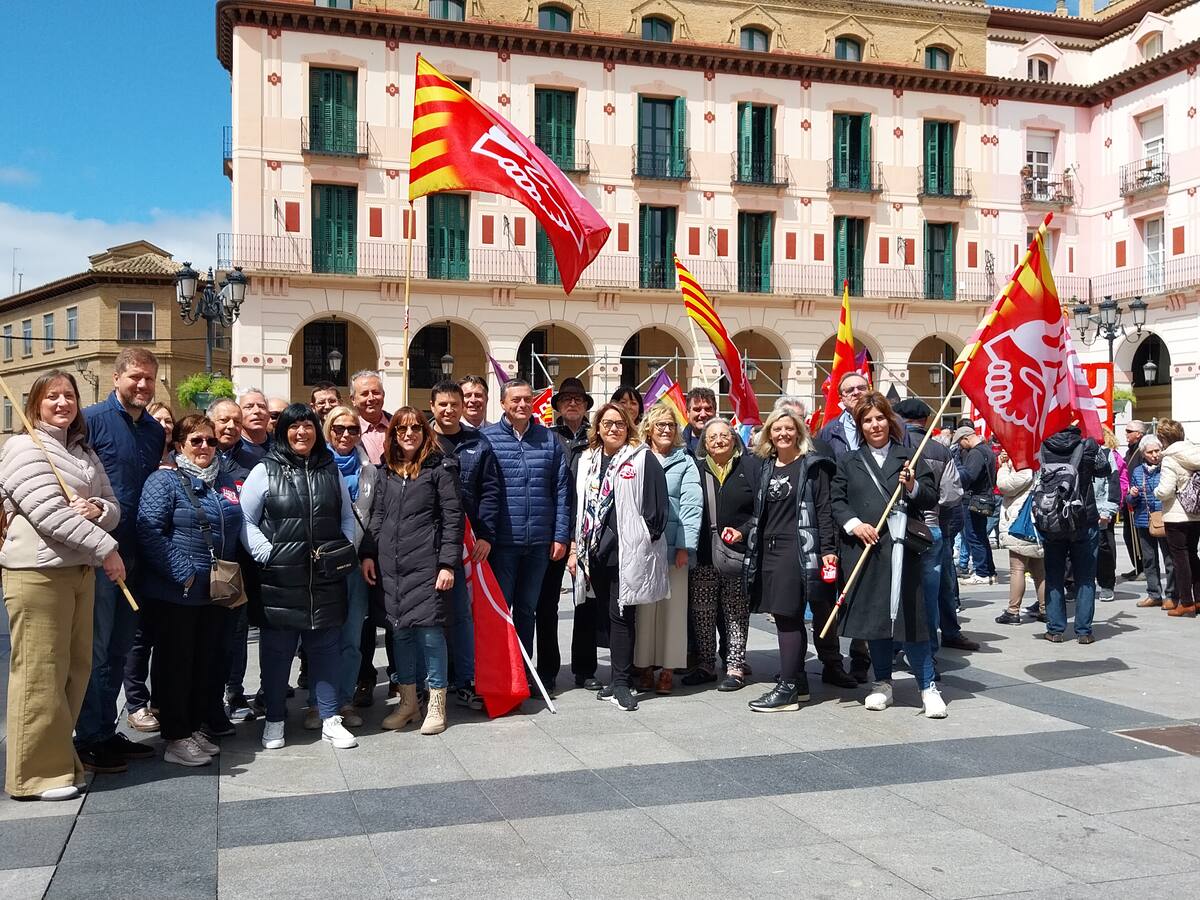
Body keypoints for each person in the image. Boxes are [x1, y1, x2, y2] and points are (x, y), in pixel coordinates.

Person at [0, 371, 124, 800]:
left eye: (68, 395)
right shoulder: (23, 447)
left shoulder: (82, 451)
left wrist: (95, 507)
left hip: (77, 570)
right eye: (52, 396)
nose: (61, 403)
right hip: (38, 573)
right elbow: (49, 514)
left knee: (75, 668)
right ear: (35, 403)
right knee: (40, 673)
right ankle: (34, 775)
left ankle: (59, 759)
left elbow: (112, 506)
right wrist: (108, 549)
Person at [239, 403, 357, 751]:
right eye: (294, 426)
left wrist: (343, 551)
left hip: (325, 580)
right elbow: (245, 520)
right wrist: (268, 555)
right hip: (280, 581)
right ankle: (274, 719)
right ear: (283, 432)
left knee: (326, 652)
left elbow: (346, 517)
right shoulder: (265, 470)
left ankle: (330, 719)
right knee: (277, 655)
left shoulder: (329, 468)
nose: (301, 433)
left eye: (308, 426)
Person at [136, 414, 243, 766]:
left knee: (205, 662)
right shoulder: (163, 481)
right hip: (177, 591)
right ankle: (175, 736)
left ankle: (193, 725)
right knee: (176, 664)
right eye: (196, 440)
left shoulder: (221, 480)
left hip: (214, 590)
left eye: (210, 441)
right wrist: (183, 573)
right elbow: (149, 530)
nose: (204, 447)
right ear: (179, 444)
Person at [75, 347, 164, 774]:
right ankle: (89, 737)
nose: (143, 385)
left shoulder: (152, 431)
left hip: (137, 555)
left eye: (149, 378)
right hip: (99, 555)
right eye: (135, 378)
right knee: (96, 650)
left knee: (119, 649)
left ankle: (105, 731)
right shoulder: (90, 420)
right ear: (116, 378)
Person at [831, 392, 946, 718]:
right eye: (867, 420)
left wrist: (911, 486)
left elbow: (929, 497)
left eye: (879, 417)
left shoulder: (909, 456)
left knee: (913, 620)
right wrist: (855, 525)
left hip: (902, 552)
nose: (874, 424)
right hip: (866, 551)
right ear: (860, 425)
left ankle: (927, 686)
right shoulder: (849, 461)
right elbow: (837, 501)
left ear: (889, 420)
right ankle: (882, 683)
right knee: (877, 622)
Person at [361, 408, 463, 734]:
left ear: (424, 431)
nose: (409, 434)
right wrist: (368, 554)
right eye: (402, 429)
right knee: (400, 632)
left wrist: (447, 564)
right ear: (393, 434)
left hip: (427, 566)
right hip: (392, 568)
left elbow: (452, 520)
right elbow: (377, 516)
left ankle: (436, 706)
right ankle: (408, 704)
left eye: (415, 428)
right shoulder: (385, 472)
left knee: (431, 634)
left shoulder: (440, 469)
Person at [569, 403, 668, 711]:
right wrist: (577, 546)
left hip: (626, 551)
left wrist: (642, 535)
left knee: (622, 615)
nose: (613, 429)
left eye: (620, 424)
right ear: (597, 427)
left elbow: (658, 507)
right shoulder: (587, 459)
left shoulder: (640, 458)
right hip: (593, 550)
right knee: (605, 615)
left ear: (629, 428)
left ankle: (623, 683)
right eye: (607, 423)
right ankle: (615, 677)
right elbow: (577, 502)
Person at [742, 408, 837, 711]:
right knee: (787, 615)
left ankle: (788, 688)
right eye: (776, 429)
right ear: (768, 434)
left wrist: (829, 550)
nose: (783, 434)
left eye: (788, 428)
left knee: (786, 615)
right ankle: (800, 683)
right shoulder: (766, 466)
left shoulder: (813, 466)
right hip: (768, 549)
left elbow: (824, 511)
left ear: (799, 432)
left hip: (796, 546)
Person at [484, 380, 571, 680]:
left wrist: (560, 535)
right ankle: (500, 674)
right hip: (503, 544)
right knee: (501, 610)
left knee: (526, 610)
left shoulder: (549, 440)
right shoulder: (488, 439)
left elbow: (561, 491)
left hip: (539, 543)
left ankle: (523, 672)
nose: (522, 405)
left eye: (526, 400)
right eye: (515, 400)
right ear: (504, 404)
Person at [428, 382, 502, 708]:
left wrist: (485, 535)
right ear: (432, 406)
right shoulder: (421, 441)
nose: (449, 410)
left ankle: (466, 680)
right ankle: (426, 682)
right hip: (427, 542)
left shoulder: (479, 444)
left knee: (462, 616)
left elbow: (490, 492)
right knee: (427, 617)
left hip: (468, 543)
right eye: (442, 404)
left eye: (454, 404)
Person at [895, 399, 977, 667]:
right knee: (931, 592)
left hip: (895, 526)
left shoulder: (892, 446)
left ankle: (894, 646)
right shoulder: (940, 450)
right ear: (926, 420)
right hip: (930, 527)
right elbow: (953, 494)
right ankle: (928, 649)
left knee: (894, 588)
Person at [633, 403, 701, 694]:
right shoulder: (636, 458)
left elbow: (691, 505)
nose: (665, 430)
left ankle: (668, 670)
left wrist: (685, 546)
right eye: (660, 425)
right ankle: (645, 667)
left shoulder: (685, 461)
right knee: (645, 610)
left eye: (671, 425)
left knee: (673, 611)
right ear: (648, 427)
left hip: (674, 547)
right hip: (643, 548)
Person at [684, 418, 755, 691]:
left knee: (736, 609)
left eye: (724, 435)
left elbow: (761, 510)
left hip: (737, 553)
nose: (718, 441)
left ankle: (735, 665)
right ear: (704, 444)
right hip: (704, 552)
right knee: (703, 610)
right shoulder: (697, 470)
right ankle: (705, 663)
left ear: (734, 439)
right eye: (712, 437)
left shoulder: (749, 468)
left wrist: (744, 531)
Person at [815, 371, 875, 683]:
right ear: (840, 398)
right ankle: (831, 661)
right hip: (835, 524)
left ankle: (862, 654)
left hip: (870, 522)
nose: (855, 393)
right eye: (849, 390)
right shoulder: (829, 433)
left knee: (861, 591)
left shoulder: (882, 425)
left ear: (870, 390)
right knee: (827, 595)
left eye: (860, 388)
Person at [536, 377, 593, 693]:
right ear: (557, 406)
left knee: (586, 602)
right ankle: (547, 670)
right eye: (567, 399)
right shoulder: (546, 438)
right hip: (554, 530)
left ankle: (585, 669)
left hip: (588, 530)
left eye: (578, 399)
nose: (573, 403)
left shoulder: (596, 438)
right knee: (547, 604)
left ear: (585, 406)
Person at [122, 401, 175, 736]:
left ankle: (161, 700)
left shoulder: (178, 458)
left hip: (168, 563)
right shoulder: (144, 460)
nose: (164, 425)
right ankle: (136, 703)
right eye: (158, 420)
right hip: (140, 558)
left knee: (165, 636)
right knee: (139, 638)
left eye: (169, 420)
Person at [324, 405, 378, 726]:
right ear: (328, 430)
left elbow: (375, 517)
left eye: (352, 429)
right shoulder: (316, 466)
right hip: (325, 564)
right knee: (320, 637)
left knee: (352, 637)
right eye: (338, 428)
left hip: (357, 564)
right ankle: (322, 702)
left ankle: (344, 700)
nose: (346, 435)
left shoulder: (369, 470)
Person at [208, 398, 258, 724]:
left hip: (238, 563)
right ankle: (207, 697)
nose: (230, 427)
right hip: (204, 560)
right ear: (209, 421)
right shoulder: (196, 455)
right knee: (207, 634)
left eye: (236, 422)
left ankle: (235, 691)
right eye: (223, 420)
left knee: (237, 632)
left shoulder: (254, 461)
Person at [1039, 424, 1110, 643]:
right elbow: (1104, 469)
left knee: (1053, 576)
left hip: (1053, 519)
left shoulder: (1043, 445)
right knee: (1086, 578)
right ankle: (1084, 632)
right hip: (1084, 517)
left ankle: (1055, 629)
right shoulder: (1088, 445)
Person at [1155, 419, 1200, 618]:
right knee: (1193, 555)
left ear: (1164, 438)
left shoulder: (1170, 458)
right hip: (1196, 513)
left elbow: (1165, 491)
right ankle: (1198, 599)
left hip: (1176, 515)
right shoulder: (1194, 453)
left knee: (1180, 559)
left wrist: (1156, 491)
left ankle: (1186, 602)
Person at [995, 450, 1045, 624]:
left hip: (1021, 523)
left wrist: (1003, 467)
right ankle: (1045, 609)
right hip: (1034, 522)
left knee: (1017, 569)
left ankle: (1013, 611)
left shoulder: (1026, 467)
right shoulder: (1040, 461)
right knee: (1039, 570)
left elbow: (1004, 486)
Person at [1128, 436, 1175, 609]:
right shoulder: (1138, 471)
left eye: (1157, 450)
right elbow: (1131, 501)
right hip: (1143, 520)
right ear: (1143, 454)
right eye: (1150, 452)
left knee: (1170, 559)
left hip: (1165, 519)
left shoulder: (1167, 468)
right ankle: (1154, 594)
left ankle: (1171, 595)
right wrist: (1131, 495)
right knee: (1149, 560)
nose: (1155, 455)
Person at [954, 426, 998, 585]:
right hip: (983, 497)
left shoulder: (975, 453)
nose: (960, 446)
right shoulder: (987, 450)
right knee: (980, 535)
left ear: (966, 438)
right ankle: (989, 571)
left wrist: (956, 474)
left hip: (973, 498)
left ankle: (982, 573)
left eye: (960, 442)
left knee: (973, 536)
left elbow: (969, 476)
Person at [1095, 426, 1126, 602]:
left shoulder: (1108, 454)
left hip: (1102, 509)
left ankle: (1106, 584)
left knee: (1104, 546)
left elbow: (1116, 480)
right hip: (1080, 511)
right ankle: (1073, 584)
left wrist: (1110, 507)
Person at [1121, 420, 1147, 578]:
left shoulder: (1142, 450)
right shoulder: (1130, 450)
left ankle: (1143, 567)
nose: (1126, 433)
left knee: (1139, 535)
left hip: (1139, 499)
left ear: (1139, 434)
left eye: (1129, 431)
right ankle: (1137, 565)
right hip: (1129, 496)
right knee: (1128, 534)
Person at [351, 370, 390, 465]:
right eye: (364, 394)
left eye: (376, 392)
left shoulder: (399, 425)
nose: (371, 398)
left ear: (383, 395)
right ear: (353, 400)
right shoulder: (347, 430)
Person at [682, 387, 717, 454]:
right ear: (688, 413)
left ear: (715, 411)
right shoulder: (676, 444)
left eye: (707, 409)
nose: (703, 414)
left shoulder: (731, 440)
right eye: (697, 409)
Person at [238, 390, 272, 458]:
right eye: (249, 407)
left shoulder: (279, 447)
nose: (257, 411)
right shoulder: (231, 448)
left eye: (261, 406)